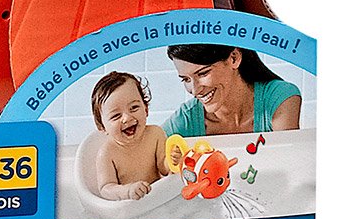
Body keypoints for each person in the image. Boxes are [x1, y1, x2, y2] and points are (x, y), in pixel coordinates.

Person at [163, 44, 300, 138]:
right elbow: (153, 146)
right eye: (186, 79)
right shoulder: (187, 119)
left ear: (234, 58)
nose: (195, 90)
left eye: (203, 73)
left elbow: (288, 162)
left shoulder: (279, 98)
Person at [91, 71, 170, 201]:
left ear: (146, 109)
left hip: (155, 200)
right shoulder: (107, 153)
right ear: (102, 127)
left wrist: (172, 161)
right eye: (116, 115)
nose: (127, 118)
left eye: (134, 107)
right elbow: (106, 188)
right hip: (128, 206)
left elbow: (164, 168)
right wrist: (127, 191)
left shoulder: (155, 134)